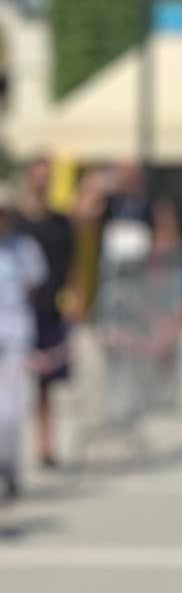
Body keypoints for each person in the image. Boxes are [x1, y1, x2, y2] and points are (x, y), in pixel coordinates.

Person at [17, 155, 74, 468]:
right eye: (38, 175)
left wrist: (73, 299)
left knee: (46, 383)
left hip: (50, 307)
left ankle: (46, 446)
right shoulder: (14, 219)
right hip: (15, 311)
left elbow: (71, 263)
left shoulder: (59, 221)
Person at [0, 182, 49, 497]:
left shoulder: (25, 248)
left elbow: (34, 286)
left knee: (12, 407)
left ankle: (10, 465)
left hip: (15, 333)